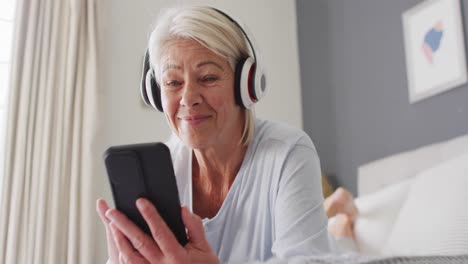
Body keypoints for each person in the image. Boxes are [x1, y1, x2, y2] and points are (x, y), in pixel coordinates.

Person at [96, 6, 348, 263]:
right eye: (173, 82)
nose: (188, 98)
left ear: (246, 83)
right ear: (155, 91)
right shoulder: (163, 169)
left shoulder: (287, 152)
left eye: (208, 78)